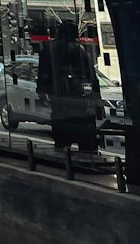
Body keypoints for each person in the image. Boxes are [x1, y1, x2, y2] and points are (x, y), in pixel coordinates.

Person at [37, 20, 100, 154]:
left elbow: (43, 74)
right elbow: (90, 75)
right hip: (77, 98)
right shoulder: (78, 49)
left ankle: (63, 149)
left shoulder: (50, 48)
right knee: (83, 133)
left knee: (62, 135)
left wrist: (42, 91)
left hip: (60, 97)